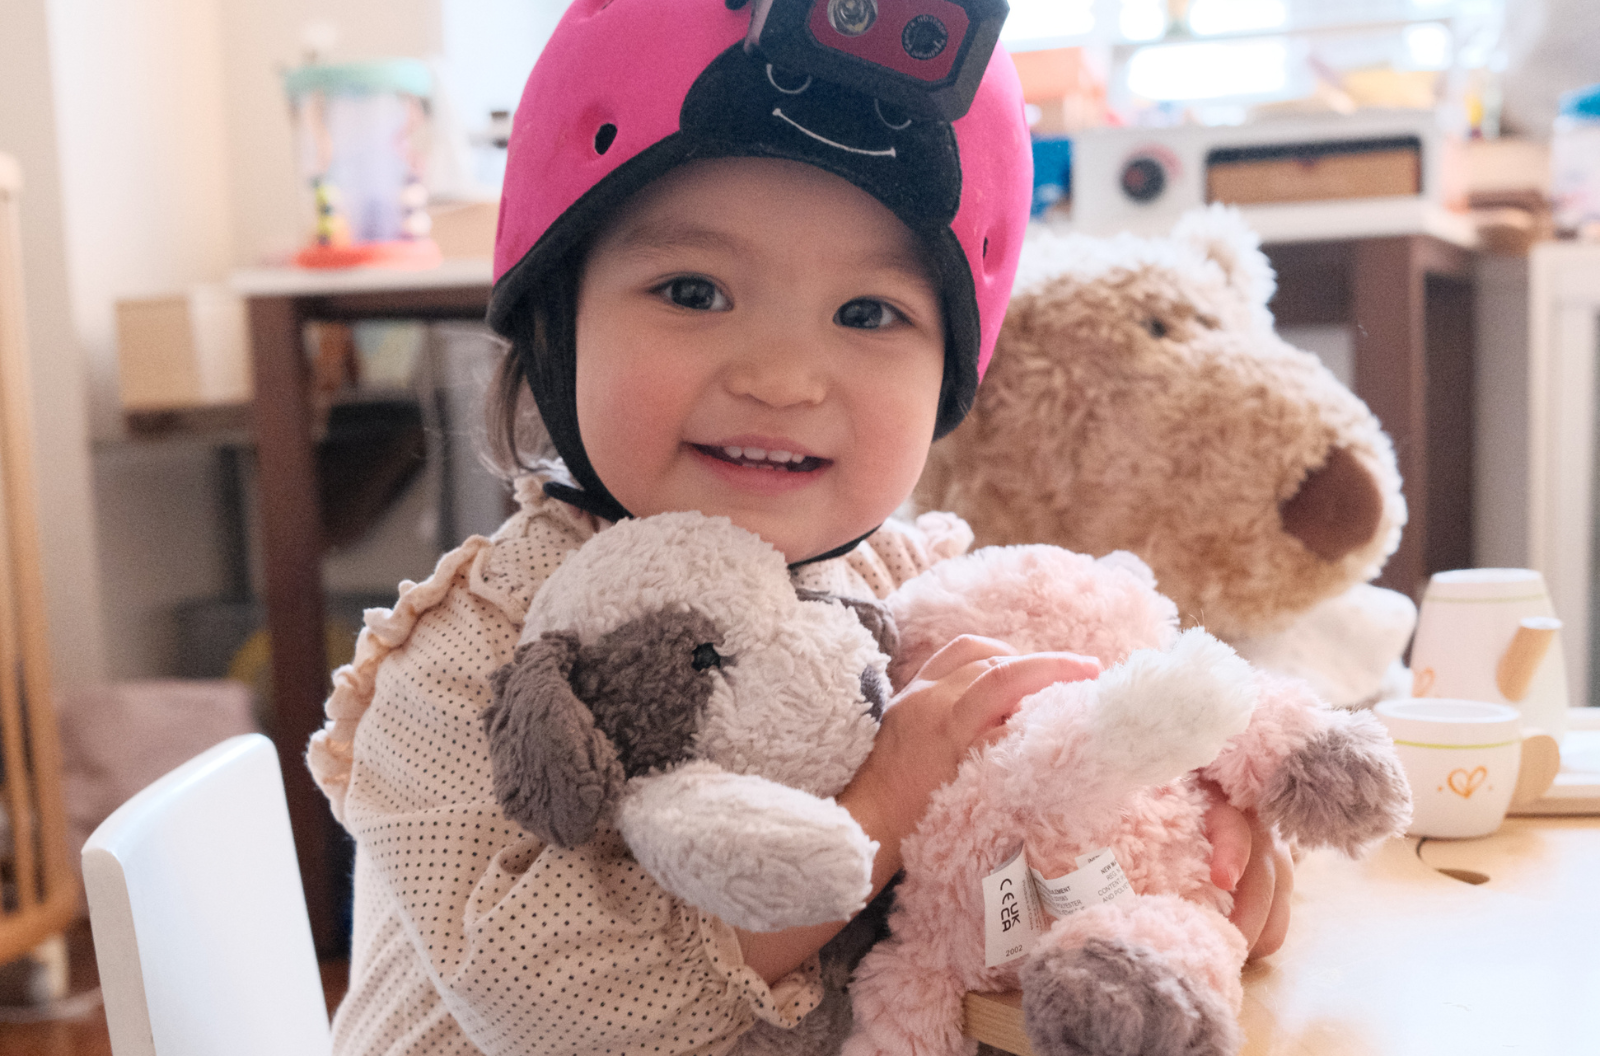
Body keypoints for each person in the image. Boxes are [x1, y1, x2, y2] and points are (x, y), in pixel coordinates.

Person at [307, 1, 1292, 1052]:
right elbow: (550, 1006)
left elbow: (1053, 850)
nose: (780, 379)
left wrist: (1211, 864)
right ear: (558, 322)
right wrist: (881, 805)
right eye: (694, 290)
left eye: (868, 313)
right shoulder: (468, 658)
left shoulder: (918, 586)